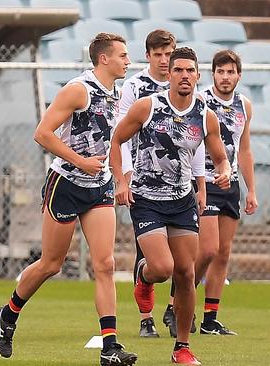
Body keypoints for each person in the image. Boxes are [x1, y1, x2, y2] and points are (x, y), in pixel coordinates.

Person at [0, 32, 137, 366]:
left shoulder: (117, 94)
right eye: (123, 55)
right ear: (104, 58)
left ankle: (110, 347)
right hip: (67, 183)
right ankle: (9, 313)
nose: (128, 61)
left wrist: (119, 177)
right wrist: (80, 161)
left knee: (105, 264)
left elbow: (114, 142)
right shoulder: (78, 89)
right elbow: (42, 133)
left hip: (98, 186)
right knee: (51, 264)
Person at [111, 47, 231, 365]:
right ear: (170, 74)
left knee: (186, 272)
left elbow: (218, 155)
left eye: (190, 70)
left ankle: (182, 347)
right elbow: (116, 139)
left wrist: (224, 171)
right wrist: (121, 182)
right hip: (147, 199)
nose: (184, 76)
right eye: (178, 70)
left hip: (182, 200)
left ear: (197, 75)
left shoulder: (204, 116)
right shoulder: (148, 107)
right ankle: (145, 276)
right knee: (163, 268)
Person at [190, 49, 257, 336]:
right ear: (213, 73)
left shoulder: (245, 105)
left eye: (230, 72)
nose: (225, 77)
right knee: (207, 249)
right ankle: (176, 302)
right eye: (221, 71)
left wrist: (251, 189)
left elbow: (244, 149)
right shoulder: (202, 100)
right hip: (205, 180)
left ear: (238, 75)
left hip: (230, 185)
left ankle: (210, 318)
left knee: (223, 253)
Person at [117, 29, 175, 338]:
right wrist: (125, 177)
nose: (165, 61)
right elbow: (120, 136)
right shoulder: (135, 87)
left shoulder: (185, 83)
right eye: (159, 54)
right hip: (144, 180)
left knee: (184, 253)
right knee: (148, 253)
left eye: (169, 54)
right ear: (149, 55)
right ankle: (146, 317)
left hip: (179, 181)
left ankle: (176, 310)